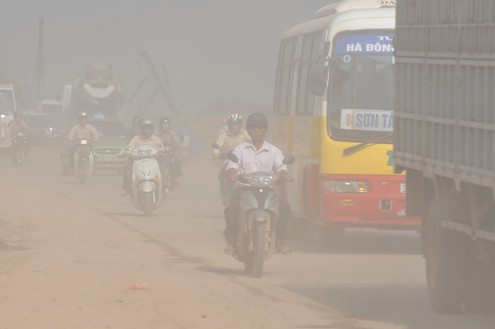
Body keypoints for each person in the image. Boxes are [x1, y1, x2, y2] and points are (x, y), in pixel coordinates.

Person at [223, 112, 292, 255]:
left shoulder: (273, 150)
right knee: (231, 209)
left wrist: (285, 175)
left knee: (285, 208)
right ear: (248, 130)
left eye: (259, 127)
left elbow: (281, 167)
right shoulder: (240, 149)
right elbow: (232, 165)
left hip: (267, 190)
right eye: (253, 128)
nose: (256, 130)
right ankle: (231, 241)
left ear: (265, 130)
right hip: (245, 189)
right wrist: (232, 173)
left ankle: (279, 240)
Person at [212, 113, 250, 205]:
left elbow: (253, 141)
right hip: (229, 161)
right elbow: (217, 146)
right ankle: (225, 195)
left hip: (245, 161)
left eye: (236, 124)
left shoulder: (245, 134)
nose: (234, 127)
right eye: (232, 125)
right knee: (222, 174)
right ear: (229, 126)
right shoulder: (224, 136)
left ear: (240, 125)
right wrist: (216, 154)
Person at [122, 119, 164, 194]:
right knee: (127, 170)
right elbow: (127, 149)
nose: (147, 130)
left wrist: (161, 151)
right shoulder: (135, 139)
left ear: (152, 129)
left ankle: (163, 188)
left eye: (149, 128)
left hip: (153, 162)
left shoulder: (156, 140)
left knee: (164, 170)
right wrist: (128, 152)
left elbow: (161, 149)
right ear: (141, 129)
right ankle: (127, 189)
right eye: (145, 128)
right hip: (137, 162)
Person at [156, 117, 184, 188]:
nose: (165, 126)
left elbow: (178, 142)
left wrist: (177, 146)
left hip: (170, 154)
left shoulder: (171, 133)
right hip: (159, 154)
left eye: (167, 124)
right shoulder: (156, 134)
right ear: (160, 125)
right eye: (163, 124)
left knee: (177, 161)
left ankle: (175, 179)